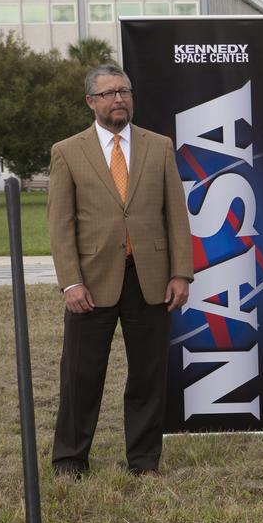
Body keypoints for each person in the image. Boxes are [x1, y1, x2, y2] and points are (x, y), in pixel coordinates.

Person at [47, 63, 193, 477]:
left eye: (124, 91)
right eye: (109, 93)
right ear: (91, 101)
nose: (118, 100)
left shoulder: (159, 146)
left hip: (151, 278)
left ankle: (144, 461)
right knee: (81, 374)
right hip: (91, 282)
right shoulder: (67, 151)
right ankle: (70, 460)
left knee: (148, 375)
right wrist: (70, 281)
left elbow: (176, 214)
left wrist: (181, 271)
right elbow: (61, 225)